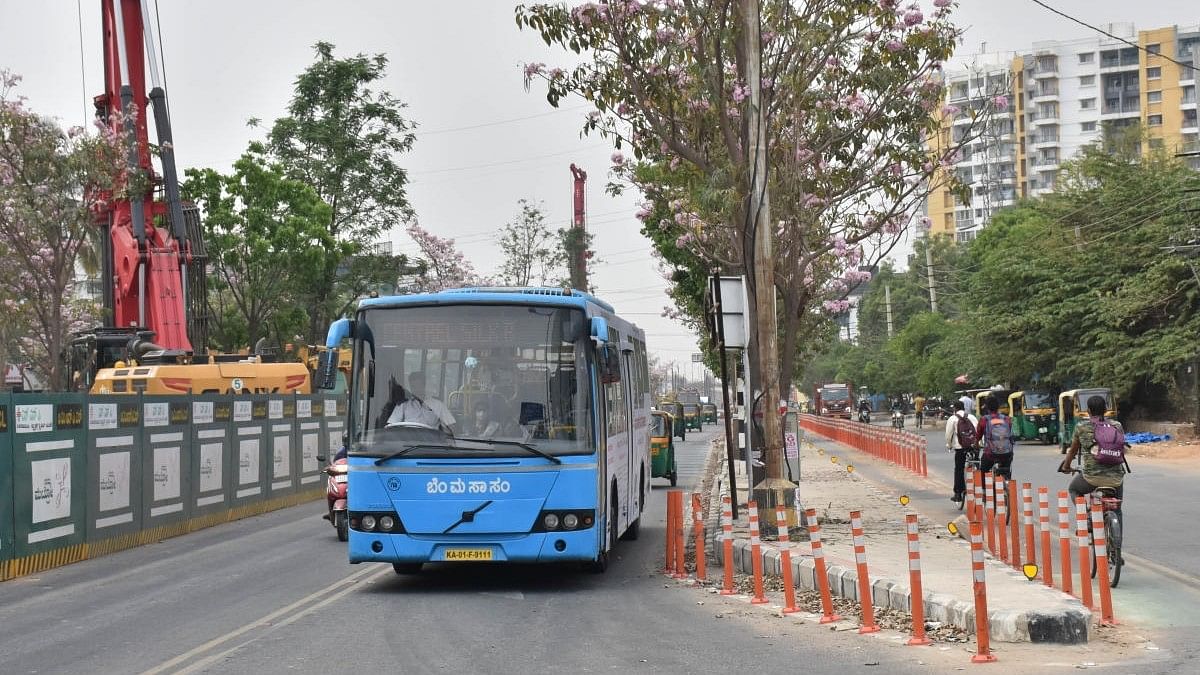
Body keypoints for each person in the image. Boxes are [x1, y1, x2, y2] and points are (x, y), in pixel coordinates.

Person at [1058, 395, 1126, 504]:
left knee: (1074, 489)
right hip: (1116, 478)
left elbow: (1072, 451)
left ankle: (1083, 517)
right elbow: (1122, 449)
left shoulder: (1081, 427)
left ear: (1088, 411)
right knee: (1117, 507)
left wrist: (1066, 466)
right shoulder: (1117, 425)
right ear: (1105, 410)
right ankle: (1116, 517)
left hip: (1091, 478)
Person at [380, 372, 456, 430]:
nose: (416, 389)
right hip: (408, 443)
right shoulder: (403, 405)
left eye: (419, 386)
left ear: (424, 385)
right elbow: (391, 425)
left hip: (431, 443)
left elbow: (451, 427)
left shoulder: (438, 405)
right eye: (413, 386)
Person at [945, 399, 978, 503]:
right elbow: (977, 431)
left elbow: (948, 435)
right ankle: (981, 486)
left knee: (959, 468)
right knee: (977, 466)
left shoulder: (952, 418)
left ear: (955, 408)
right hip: (974, 446)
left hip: (960, 448)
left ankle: (958, 493)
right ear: (964, 407)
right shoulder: (972, 417)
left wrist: (949, 445)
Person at [976, 395, 1015, 480]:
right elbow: (1012, 435)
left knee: (983, 470)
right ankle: (1007, 483)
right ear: (998, 407)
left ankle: (984, 490)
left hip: (991, 454)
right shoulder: (1006, 419)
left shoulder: (984, 420)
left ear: (987, 407)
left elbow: (978, 435)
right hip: (1007, 453)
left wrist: (975, 445)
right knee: (1007, 470)